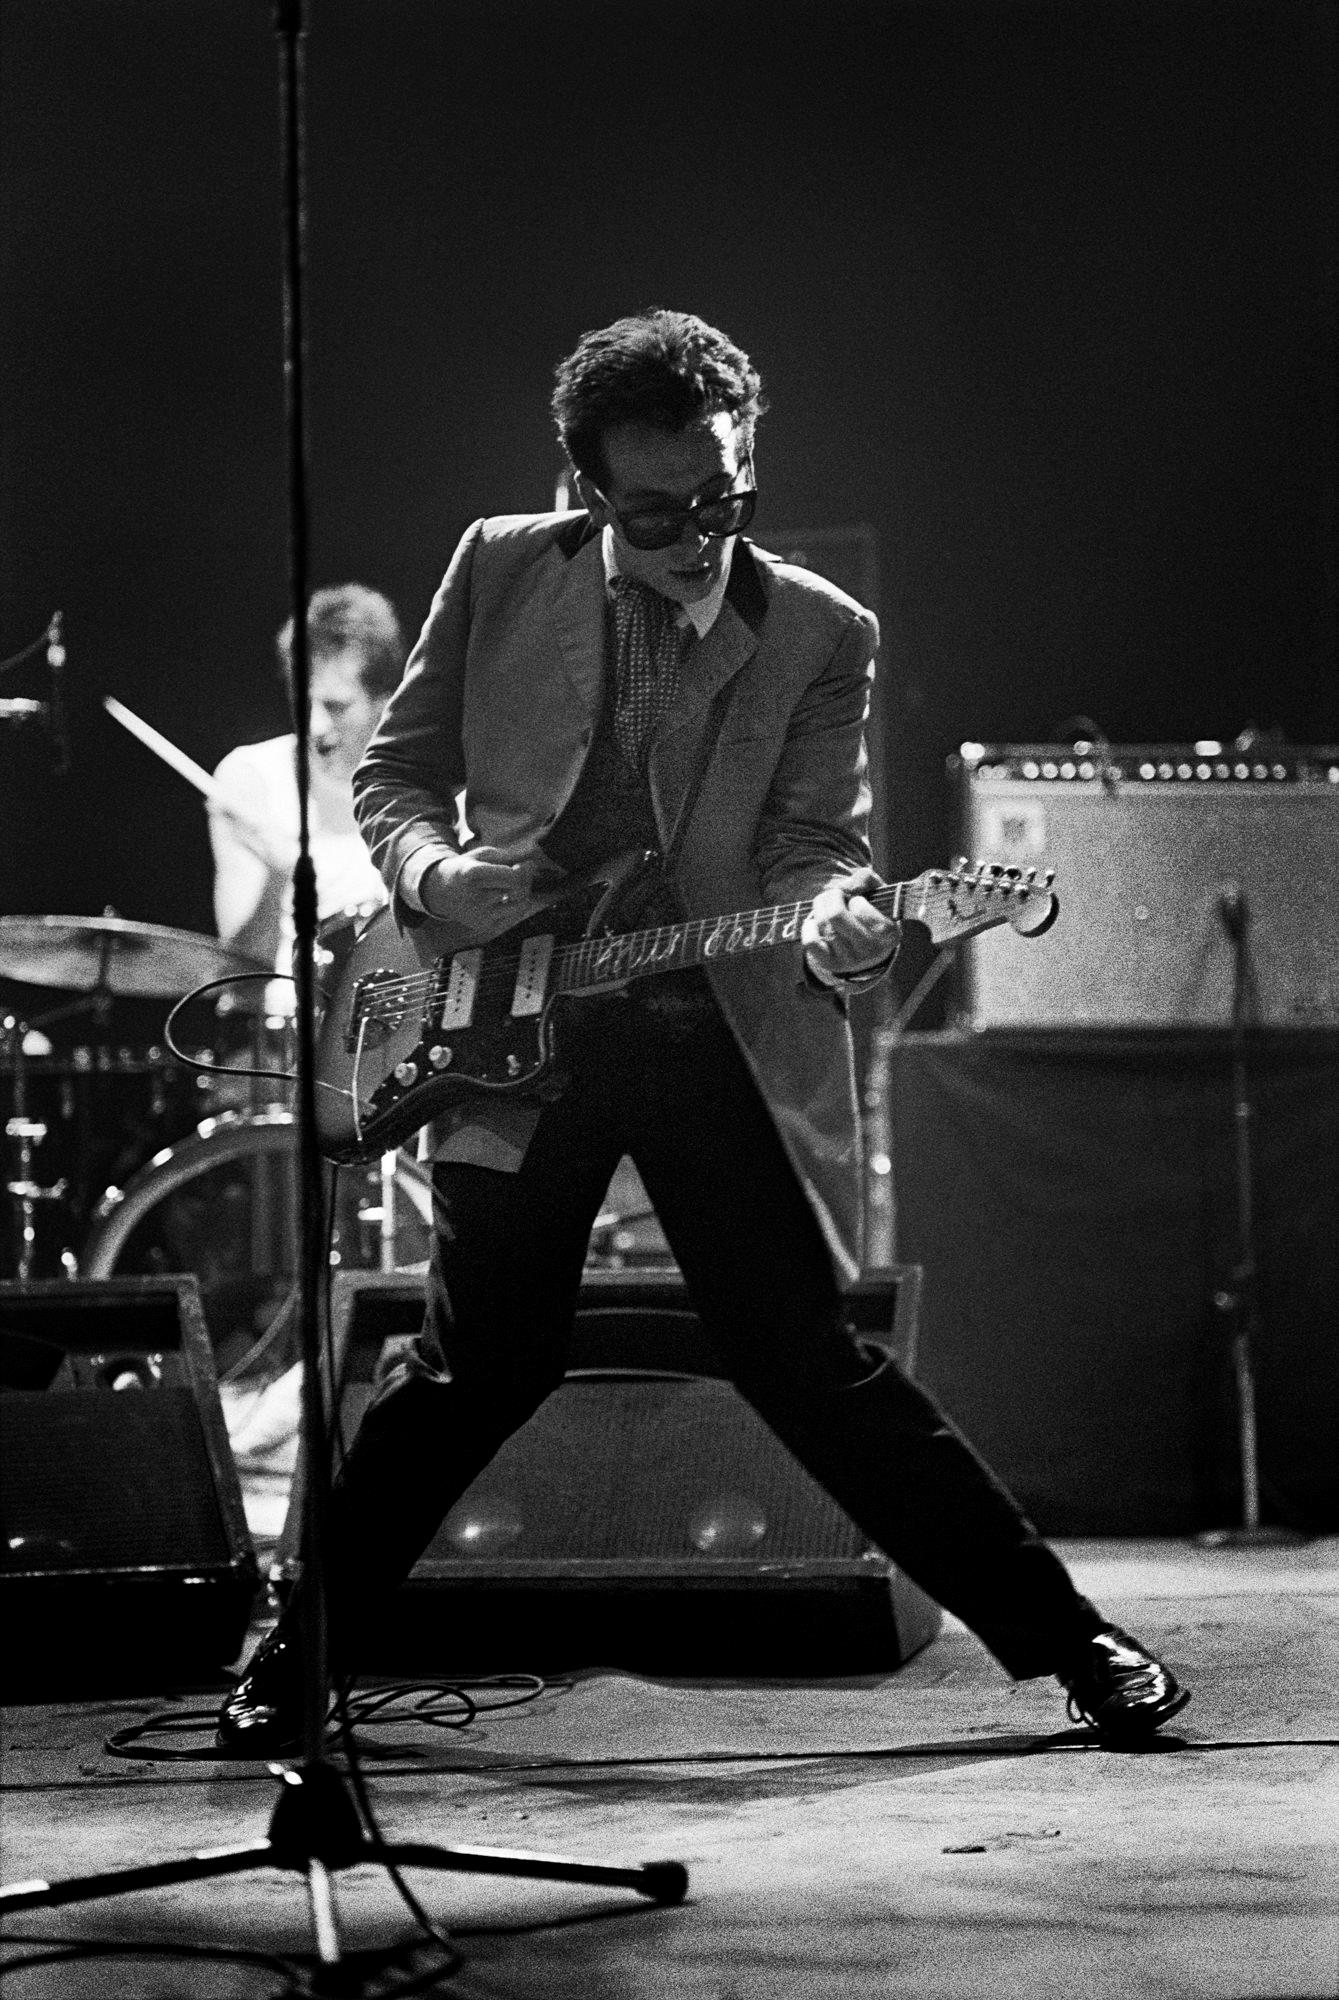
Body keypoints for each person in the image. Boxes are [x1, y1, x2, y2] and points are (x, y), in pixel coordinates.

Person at [218, 310, 1189, 1753]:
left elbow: (812, 846)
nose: (694, 531)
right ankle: (292, 1659)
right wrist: (435, 875)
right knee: (476, 1365)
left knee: (807, 1360)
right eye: (656, 508)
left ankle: (1073, 1645)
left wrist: (841, 919)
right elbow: (399, 778)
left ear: (749, 460)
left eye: (723, 496)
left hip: (708, 1031)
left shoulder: (817, 629)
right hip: (507, 1026)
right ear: (583, 489)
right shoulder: (496, 567)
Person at [209, 583, 405, 973]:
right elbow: (235, 979)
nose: (314, 724)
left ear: (385, 699)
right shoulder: (250, 778)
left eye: (336, 706)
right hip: (285, 1020)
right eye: (303, 701)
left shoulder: (426, 783)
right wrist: (279, 879)